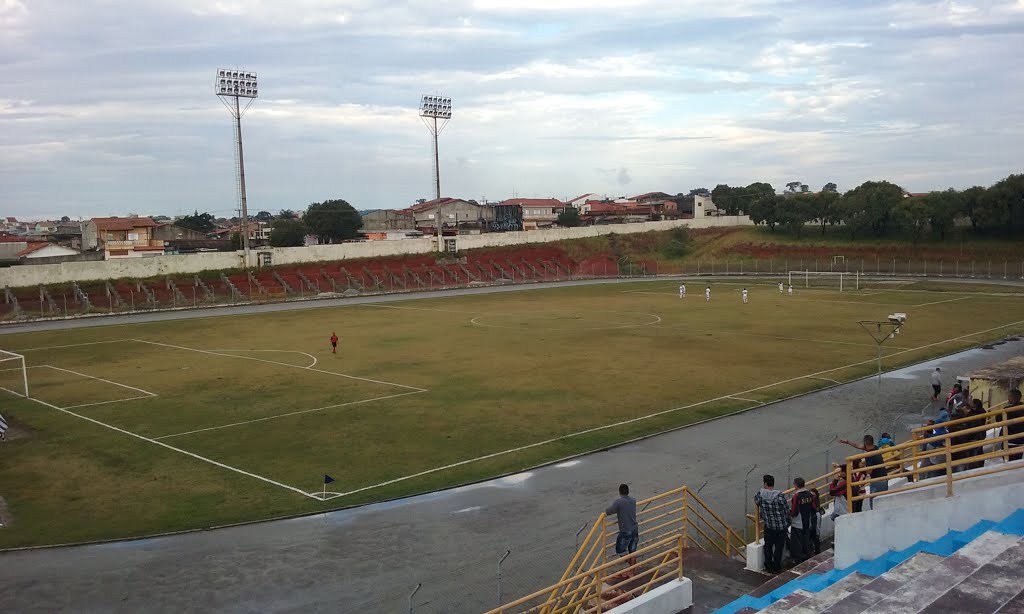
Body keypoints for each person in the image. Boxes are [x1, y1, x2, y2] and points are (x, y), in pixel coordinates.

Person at [754, 474, 790, 573]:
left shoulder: (760, 495)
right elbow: (787, 509)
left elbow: (756, 500)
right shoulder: (780, 496)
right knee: (779, 547)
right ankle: (776, 566)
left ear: (765, 483)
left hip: (769, 525)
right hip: (781, 526)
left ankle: (768, 565)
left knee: (768, 546)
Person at [840, 435, 888, 508]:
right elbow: (858, 445)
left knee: (874, 504)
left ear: (865, 443)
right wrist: (847, 441)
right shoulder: (875, 448)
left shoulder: (868, 455)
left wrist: (863, 465)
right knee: (883, 500)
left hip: (877, 481)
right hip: (885, 477)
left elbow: (869, 471)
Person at [606, 484, 638, 577]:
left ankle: (633, 566)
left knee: (620, 550)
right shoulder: (633, 500)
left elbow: (608, 511)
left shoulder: (618, 502)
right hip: (634, 528)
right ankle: (632, 570)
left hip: (625, 530)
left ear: (619, 492)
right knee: (633, 551)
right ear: (628, 491)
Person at [789, 477, 816, 563]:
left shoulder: (796, 496)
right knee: (806, 539)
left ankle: (799, 559)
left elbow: (794, 512)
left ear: (796, 485)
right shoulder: (809, 494)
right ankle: (807, 555)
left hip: (798, 523)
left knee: (797, 543)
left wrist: (789, 513)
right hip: (807, 521)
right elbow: (813, 507)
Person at [1006, 389, 1023, 462]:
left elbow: (998, 418)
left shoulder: (1007, 410)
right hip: (1021, 439)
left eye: (1009, 396)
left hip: (1010, 439)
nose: (1008, 398)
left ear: (1013, 397)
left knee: (1009, 461)